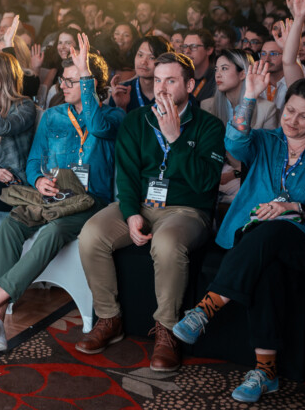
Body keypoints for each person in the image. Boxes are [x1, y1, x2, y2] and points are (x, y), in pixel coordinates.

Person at [172, 75, 305, 404]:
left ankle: (206, 308)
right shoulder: (266, 140)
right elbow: (234, 143)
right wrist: (250, 97)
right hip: (257, 238)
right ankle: (265, 371)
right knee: (266, 266)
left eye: (303, 116)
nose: (292, 121)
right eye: (289, 111)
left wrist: (294, 208)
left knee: (272, 228)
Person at [0, 35, 122, 350]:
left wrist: (85, 75)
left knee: (53, 231)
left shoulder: (111, 117)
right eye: (65, 80)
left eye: (74, 80)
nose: (64, 86)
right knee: (12, 225)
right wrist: (39, 179)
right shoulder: (54, 116)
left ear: (91, 83)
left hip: (90, 202)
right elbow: (33, 161)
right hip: (53, 197)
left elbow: (96, 127)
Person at [76, 52, 224, 372]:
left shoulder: (209, 125)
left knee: (167, 244)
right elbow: (126, 175)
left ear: (190, 85)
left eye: (171, 80)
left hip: (187, 210)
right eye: (158, 80)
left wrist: (176, 138)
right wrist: (130, 214)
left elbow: (206, 184)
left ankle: (167, 332)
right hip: (142, 203)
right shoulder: (136, 119)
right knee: (91, 235)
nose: (162, 88)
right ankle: (109, 318)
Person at [202, 49, 279, 202]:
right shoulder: (207, 106)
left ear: (243, 74)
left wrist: (235, 173)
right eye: (216, 69)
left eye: (224, 69)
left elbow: (266, 157)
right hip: (213, 171)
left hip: (250, 174)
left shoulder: (267, 109)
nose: (217, 74)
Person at [109, 36, 172, 113]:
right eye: (140, 55)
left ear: (163, 62)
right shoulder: (122, 92)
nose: (143, 62)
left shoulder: (171, 93)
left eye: (151, 57)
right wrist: (121, 107)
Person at [180, 30, 216, 101]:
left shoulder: (217, 78)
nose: (187, 51)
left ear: (209, 50)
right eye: (185, 46)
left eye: (193, 46)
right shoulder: (180, 76)